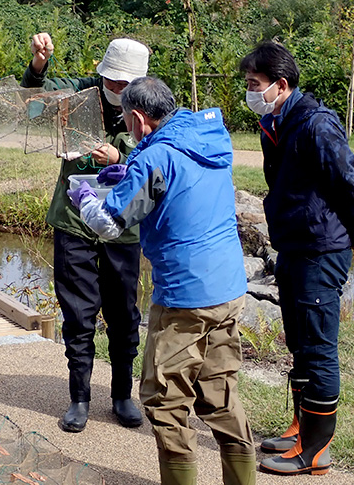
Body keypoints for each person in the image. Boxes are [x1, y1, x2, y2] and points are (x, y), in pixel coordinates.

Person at [68, 77, 257, 485]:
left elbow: (109, 225)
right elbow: (174, 184)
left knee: (165, 402)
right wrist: (130, 171)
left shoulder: (155, 159)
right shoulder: (206, 135)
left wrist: (83, 196)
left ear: (137, 118)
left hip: (185, 298)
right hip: (228, 287)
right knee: (220, 395)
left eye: (124, 117)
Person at [239, 41, 354, 476]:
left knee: (318, 348)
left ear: (280, 85)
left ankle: (316, 451)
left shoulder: (316, 125)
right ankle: (302, 429)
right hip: (294, 245)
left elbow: (349, 182)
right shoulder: (275, 121)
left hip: (322, 249)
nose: (249, 92)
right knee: (299, 344)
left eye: (254, 85)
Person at [21, 32, 148, 432]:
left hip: (122, 225)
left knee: (124, 314)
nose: (114, 89)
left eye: (123, 84)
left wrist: (121, 155)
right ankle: (79, 399)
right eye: (110, 80)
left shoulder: (153, 104)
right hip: (75, 221)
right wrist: (39, 65)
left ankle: (123, 396)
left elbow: (164, 153)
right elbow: (31, 105)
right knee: (78, 313)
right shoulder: (78, 93)